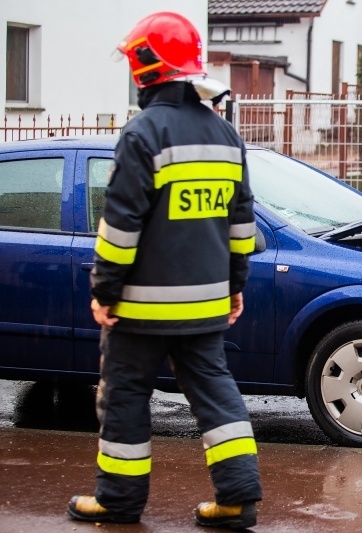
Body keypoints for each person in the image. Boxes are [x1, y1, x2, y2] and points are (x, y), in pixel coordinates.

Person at [67, 12, 262, 529]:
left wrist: (103, 290)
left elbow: (120, 226)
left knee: (125, 394)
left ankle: (118, 501)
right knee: (217, 393)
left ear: (146, 68)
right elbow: (240, 226)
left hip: (140, 307)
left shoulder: (143, 134)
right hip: (206, 304)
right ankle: (238, 498)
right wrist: (234, 285)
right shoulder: (226, 136)